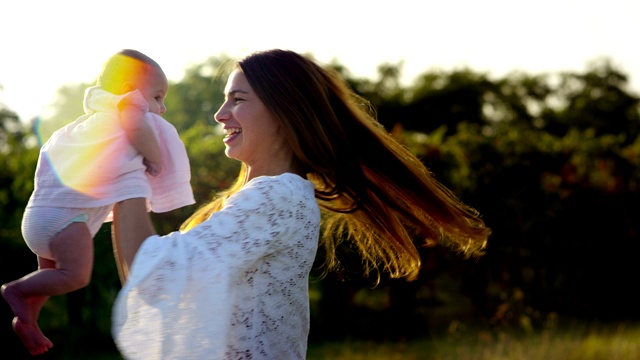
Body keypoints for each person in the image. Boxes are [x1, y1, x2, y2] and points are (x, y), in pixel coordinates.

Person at [110, 49, 490, 359]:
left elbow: (152, 273)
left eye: (237, 100)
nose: (220, 115)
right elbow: (150, 281)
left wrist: (125, 161)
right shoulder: (263, 198)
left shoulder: (278, 198)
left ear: (283, 112)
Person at [2, 49, 195, 356]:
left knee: (48, 278)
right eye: (157, 97)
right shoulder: (127, 106)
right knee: (76, 276)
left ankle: (28, 320)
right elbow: (136, 128)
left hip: (41, 217)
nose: (163, 107)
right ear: (127, 88)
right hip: (64, 222)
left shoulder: (87, 122)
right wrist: (154, 158)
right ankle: (15, 290)